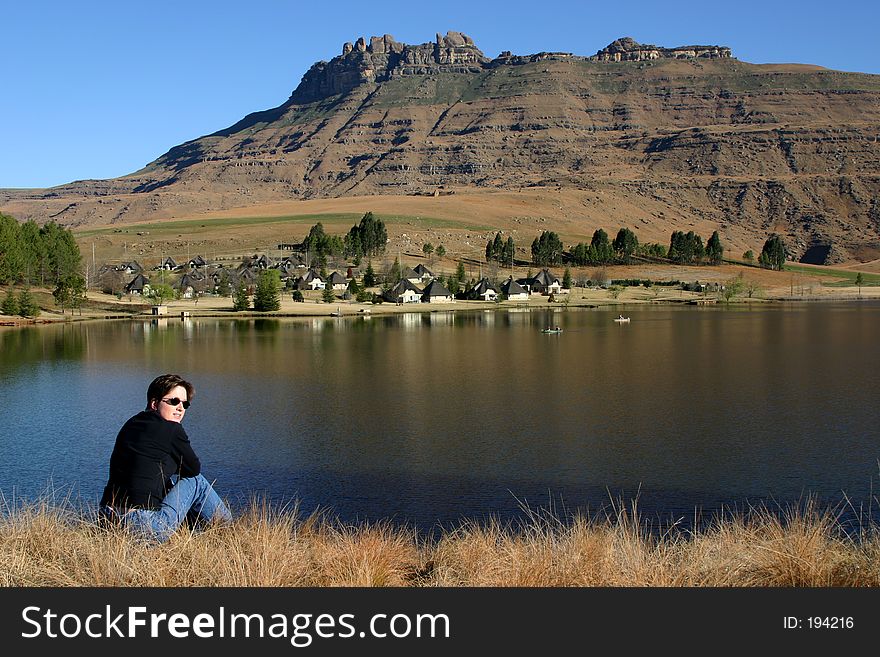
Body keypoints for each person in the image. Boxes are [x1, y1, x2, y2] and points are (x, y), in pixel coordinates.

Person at [100, 373, 232, 542]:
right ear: (154, 403)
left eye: (185, 404)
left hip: (107, 519)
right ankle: (228, 530)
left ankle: (190, 533)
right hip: (143, 525)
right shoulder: (171, 429)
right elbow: (193, 469)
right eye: (174, 401)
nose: (180, 408)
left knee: (167, 483)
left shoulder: (131, 424)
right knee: (196, 482)